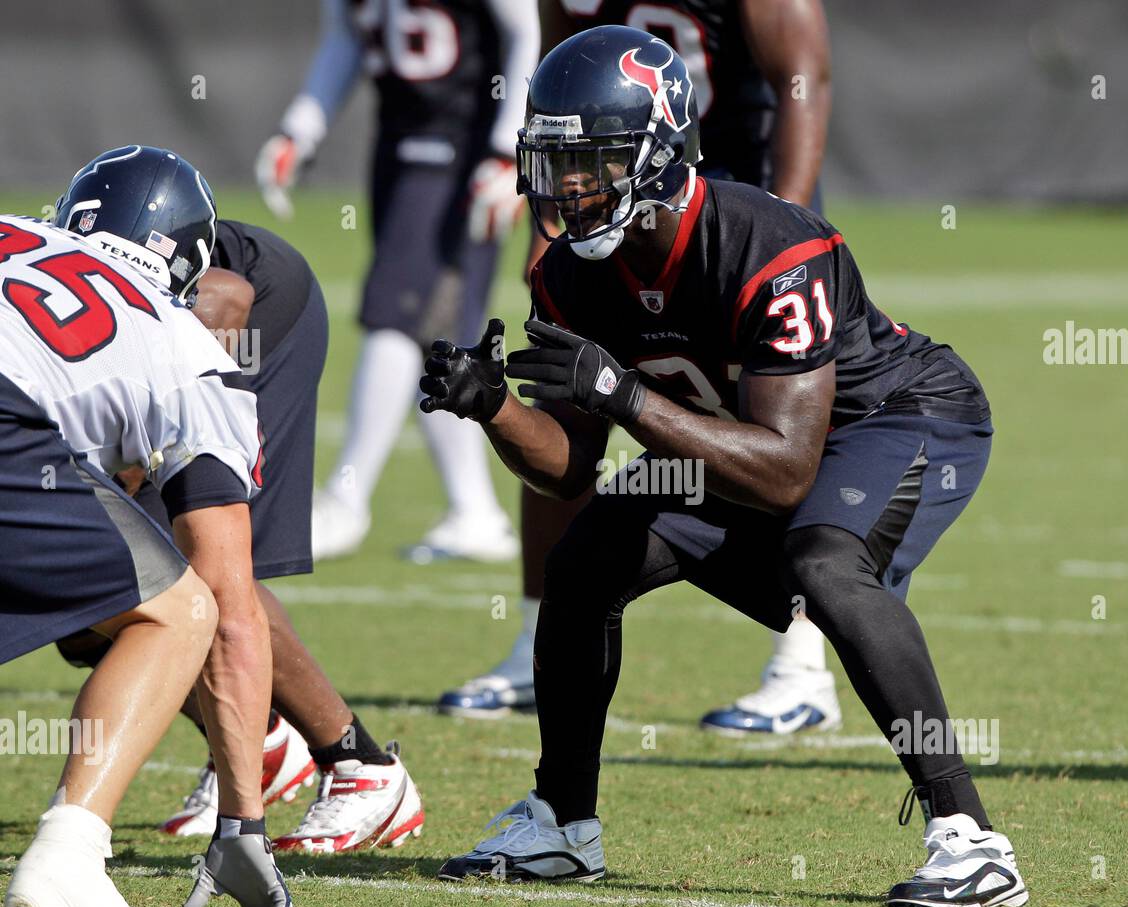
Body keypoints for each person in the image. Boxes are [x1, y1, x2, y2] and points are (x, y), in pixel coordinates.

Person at [419, 29, 1027, 907]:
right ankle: (561, 823)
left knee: (824, 562)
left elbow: (784, 473)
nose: (569, 187)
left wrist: (625, 397)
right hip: (738, 434)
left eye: (593, 162)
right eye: (557, 163)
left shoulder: (767, 246)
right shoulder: (570, 275)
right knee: (584, 561)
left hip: (905, 415)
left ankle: (969, 838)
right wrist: (495, 409)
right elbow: (566, 472)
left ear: (660, 155)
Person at [437, 0, 842, 737]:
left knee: (775, 427)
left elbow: (801, 76)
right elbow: (556, 76)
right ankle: (537, 633)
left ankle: (801, 662)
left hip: (726, 187)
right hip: (605, 174)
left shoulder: (761, 236)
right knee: (563, 379)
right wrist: (551, 223)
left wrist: (776, 219)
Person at [0, 146, 302, 907]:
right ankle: (69, 861)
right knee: (181, 610)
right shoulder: (183, 344)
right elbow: (231, 606)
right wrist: (243, 817)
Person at [57, 218, 424, 852]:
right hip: (168, 323)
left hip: (257, 311)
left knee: (197, 561)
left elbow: (224, 293)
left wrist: (156, 443)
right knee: (83, 597)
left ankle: (363, 767)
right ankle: (258, 747)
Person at [257, 0, 539, 563]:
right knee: (434, 337)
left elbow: (526, 30)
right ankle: (475, 511)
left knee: (395, 317)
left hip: (466, 149)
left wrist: (509, 147)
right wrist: (302, 129)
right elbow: (345, 40)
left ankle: (347, 496)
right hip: (398, 146)